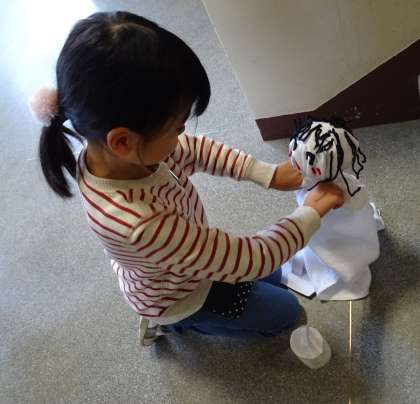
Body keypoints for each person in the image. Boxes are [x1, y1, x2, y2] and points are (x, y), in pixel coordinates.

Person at [31, 11, 344, 346]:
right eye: (177, 127)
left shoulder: (116, 152)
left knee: (279, 273)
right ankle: (172, 325)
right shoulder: (140, 224)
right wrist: (312, 211)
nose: (183, 135)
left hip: (181, 256)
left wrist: (266, 174)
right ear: (123, 141)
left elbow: (195, 150)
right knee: (285, 311)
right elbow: (251, 258)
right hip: (180, 295)